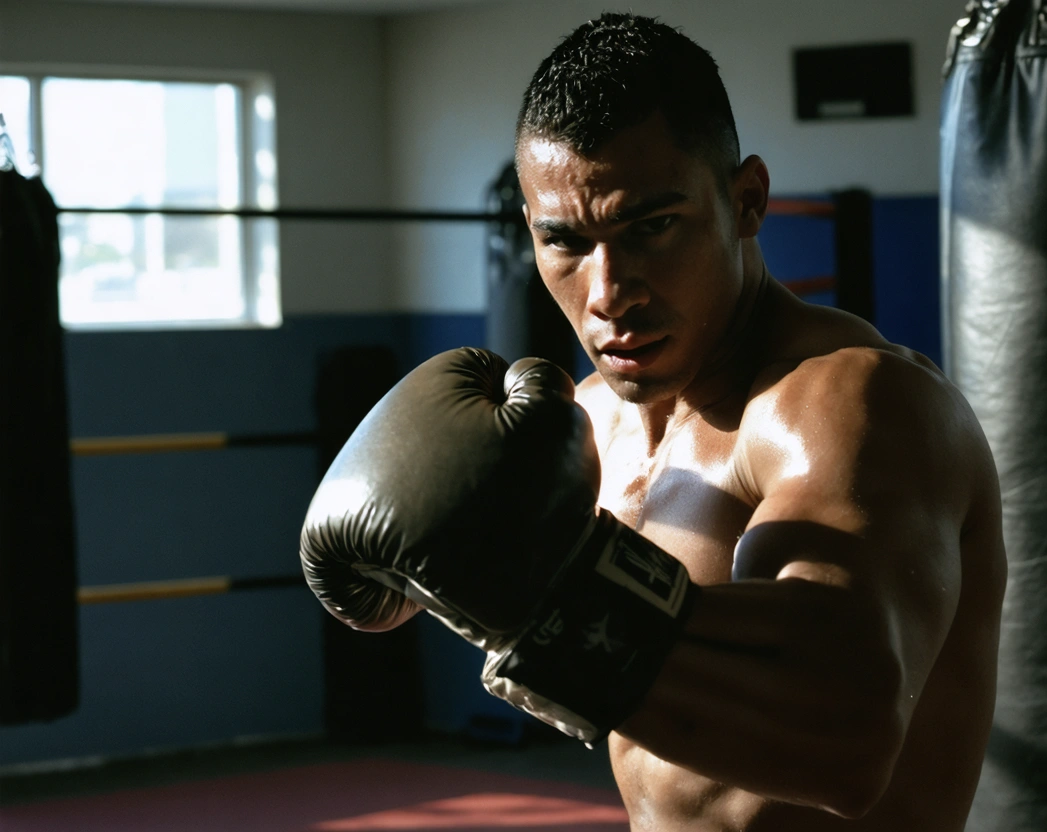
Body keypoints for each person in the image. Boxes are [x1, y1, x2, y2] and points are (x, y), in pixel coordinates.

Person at [301, 13, 1006, 831]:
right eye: (564, 241)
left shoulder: (851, 405)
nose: (608, 292)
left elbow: (844, 744)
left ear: (745, 201)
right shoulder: (584, 423)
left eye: (651, 227)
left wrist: (543, 606)